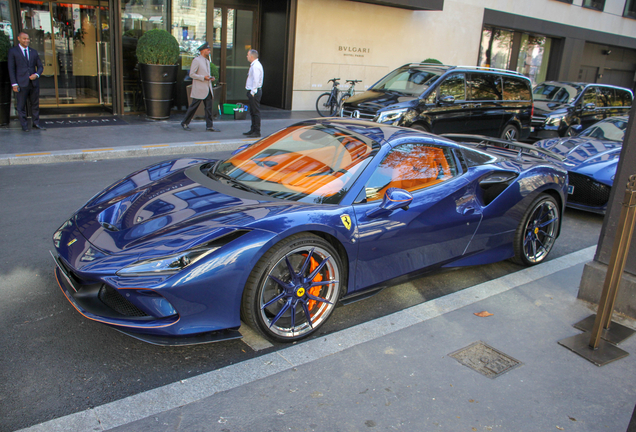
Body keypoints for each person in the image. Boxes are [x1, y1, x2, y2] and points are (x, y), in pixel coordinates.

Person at [8, 32, 44, 132]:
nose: (26, 41)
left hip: (33, 83)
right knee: (21, 105)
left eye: (27, 39)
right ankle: (24, 125)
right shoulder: (13, 51)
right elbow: (11, 68)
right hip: (21, 83)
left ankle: (36, 123)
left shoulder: (33, 52)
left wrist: (36, 75)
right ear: (19, 38)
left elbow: (40, 66)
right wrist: (14, 83)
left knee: (35, 104)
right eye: (24, 39)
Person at [181, 42, 219, 132]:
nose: (209, 51)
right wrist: (203, 77)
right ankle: (185, 122)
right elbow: (192, 74)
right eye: (207, 50)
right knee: (193, 107)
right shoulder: (196, 60)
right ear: (202, 51)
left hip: (207, 88)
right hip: (200, 88)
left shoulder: (207, 61)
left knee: (209, 108)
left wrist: (210, 78)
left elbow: (206, 74)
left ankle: (209, 126)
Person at [243, 49, 263, 138]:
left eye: (247, 55)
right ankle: (253, 129)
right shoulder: (254, 65)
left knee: (255, 112)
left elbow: (256, 79)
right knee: (252, 111)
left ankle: (257, 131)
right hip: (253, 91)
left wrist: (253, 91)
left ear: (251, 56)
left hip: (254, 92)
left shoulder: (255, 66)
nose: (247, 56)